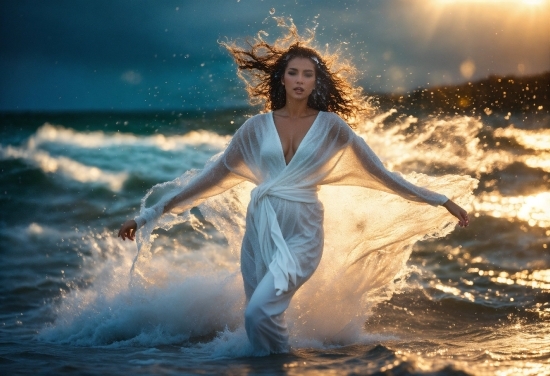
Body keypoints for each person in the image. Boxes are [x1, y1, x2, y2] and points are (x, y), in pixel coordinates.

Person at [118, 29, 470, 355]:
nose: (300, 80)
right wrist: (148, 214)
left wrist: (439, 200)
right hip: (259, 232)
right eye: (294, 73)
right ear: (282, 78)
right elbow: (211, 178)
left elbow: (381, 174)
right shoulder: (254, 128)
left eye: (308, 74)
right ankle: (276, 367)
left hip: (303, 233)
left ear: (316, 81)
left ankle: (280, 362)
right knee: (260, 320)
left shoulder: (332, 127)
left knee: (258, 313)